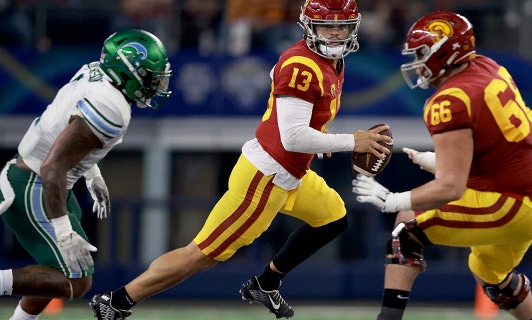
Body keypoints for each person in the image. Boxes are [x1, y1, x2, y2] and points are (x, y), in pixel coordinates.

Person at [89, 0, 392, 319]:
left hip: (291, 172)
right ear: (308, 27)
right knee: (200, 255)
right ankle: (117, 301)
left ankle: (267, 283)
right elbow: (292, 137)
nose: (335, 35)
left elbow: (294, 122)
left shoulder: (331, 62)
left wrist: (320, 139)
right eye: (327, 27)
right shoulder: (303, 65)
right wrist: (349, 141)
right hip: (266, 177)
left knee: (332, 217)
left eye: (341, 26)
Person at [351, 11, 532, 320]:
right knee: (491, 276)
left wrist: (393, 200)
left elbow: (450, 187)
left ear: (445, 52)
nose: (416, 62)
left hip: (513, 203)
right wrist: (438, 162)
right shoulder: (487, 67)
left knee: (405, 228)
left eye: (421, 53)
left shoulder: (449, 101)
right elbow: (496, 151)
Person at [0, 29, 172, 320]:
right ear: (126, 71)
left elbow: (66, 131)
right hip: (36, 186)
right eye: (149, 76)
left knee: (56, 271)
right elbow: (53, 167)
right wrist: (64, 231)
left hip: (40, 181)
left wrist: (91, 173)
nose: (155, 84)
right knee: (77, 280)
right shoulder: (111, 107)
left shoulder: (96, 73)